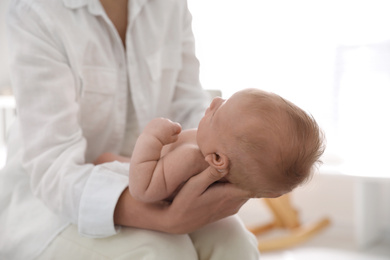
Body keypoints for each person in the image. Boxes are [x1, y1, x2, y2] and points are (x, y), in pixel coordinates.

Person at [0, 0, 260, 259]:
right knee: (161, 252)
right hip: (48, 208)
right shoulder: (34, 10)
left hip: (163, 187)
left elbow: (189, 108)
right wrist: (167, 219)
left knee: (235, 244)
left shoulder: (171, 5)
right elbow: (53, 169)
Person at [116, 88, 324, 203]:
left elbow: (142, 190)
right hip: (152, 170)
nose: (214, 101)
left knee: (105, 160)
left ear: (217, 159)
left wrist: (150, 138)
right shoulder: (227, 163)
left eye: (216, 114)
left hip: (132, 180)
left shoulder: (190, 158)